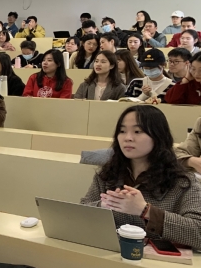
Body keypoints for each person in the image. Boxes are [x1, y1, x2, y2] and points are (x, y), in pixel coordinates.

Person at [81, 104, 201, 251]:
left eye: (137, 131)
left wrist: (146, 211)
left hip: (158, 263)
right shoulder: (108, 173)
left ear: (158, 136)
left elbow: (198, 231)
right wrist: (102, 206)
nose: (128, 138)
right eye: (122, 131)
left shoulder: (182, 181)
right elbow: (79, 213)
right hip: (109, 255)